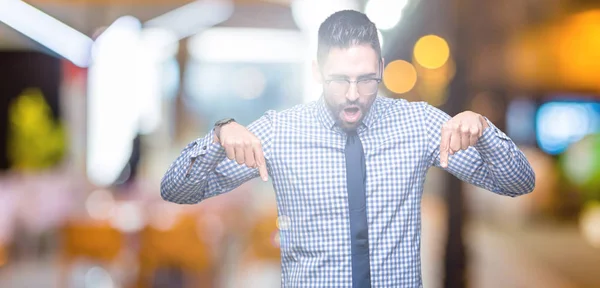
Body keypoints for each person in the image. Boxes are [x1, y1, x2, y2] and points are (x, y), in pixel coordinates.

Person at [160, 10, 535, 288]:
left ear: (382, 69)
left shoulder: (419, 124)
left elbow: (518, 184)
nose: (353, 95)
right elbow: (176, 190)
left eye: (366, 79)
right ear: (315, 72)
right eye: (339, 79)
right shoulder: (278, 132)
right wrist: (217, 138)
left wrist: (484, 131)